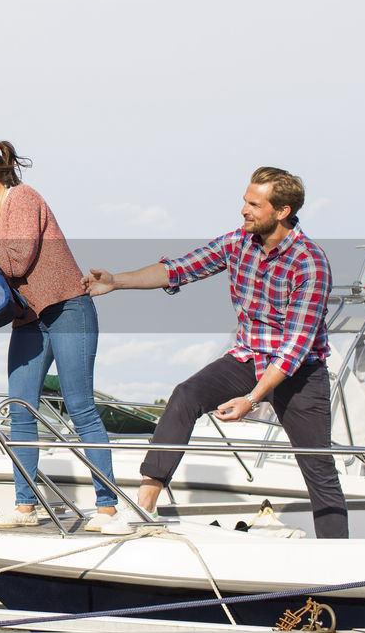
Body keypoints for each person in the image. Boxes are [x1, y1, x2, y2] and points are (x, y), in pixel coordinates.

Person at [84, 166, 348, 538]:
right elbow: (179, 269)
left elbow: (294, 349)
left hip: (299, 372)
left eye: (254, 204)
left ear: (282, 210)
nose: (244, 209)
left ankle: (336, 559)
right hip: (247, 357)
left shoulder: (309, 262)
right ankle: (143, 510)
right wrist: (116, 281)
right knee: (185, 395)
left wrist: (252, 400)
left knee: (317, 467)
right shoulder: (239, 241)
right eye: (245, 201)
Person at [0, 141, 125, 534]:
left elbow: (17, 259)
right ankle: (25, 506)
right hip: (28, 319)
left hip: (68, 307)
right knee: (19, 409)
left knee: (80, 407)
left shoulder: (24, 198)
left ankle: (107, 509)